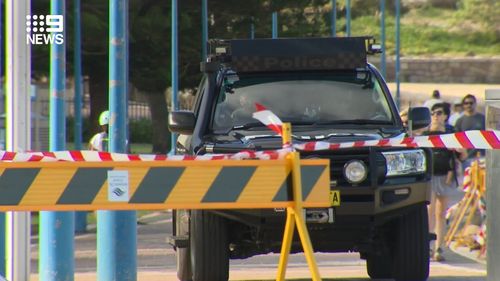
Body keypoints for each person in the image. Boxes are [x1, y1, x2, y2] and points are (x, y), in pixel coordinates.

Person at [423, 103, 465, 262]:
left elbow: (463, 155)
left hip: (445, 177)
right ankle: (427, 245)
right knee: (429, 211)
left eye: (439, 113)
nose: (435, 116)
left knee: (441, 213)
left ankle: (439, 248)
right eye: (433, 113)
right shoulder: (425, 134)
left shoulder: (451, 134)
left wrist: (458, 149)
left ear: (445, 116)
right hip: (430, 177)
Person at [454, 94, 485, 166]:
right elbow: (456, 141)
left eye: (471, 103)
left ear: (475, 104)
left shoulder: (483, 119)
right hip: (466, 158)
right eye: (466, 103)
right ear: (463, 105)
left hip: (482, 157)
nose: (469, 105)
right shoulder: (460, 121)